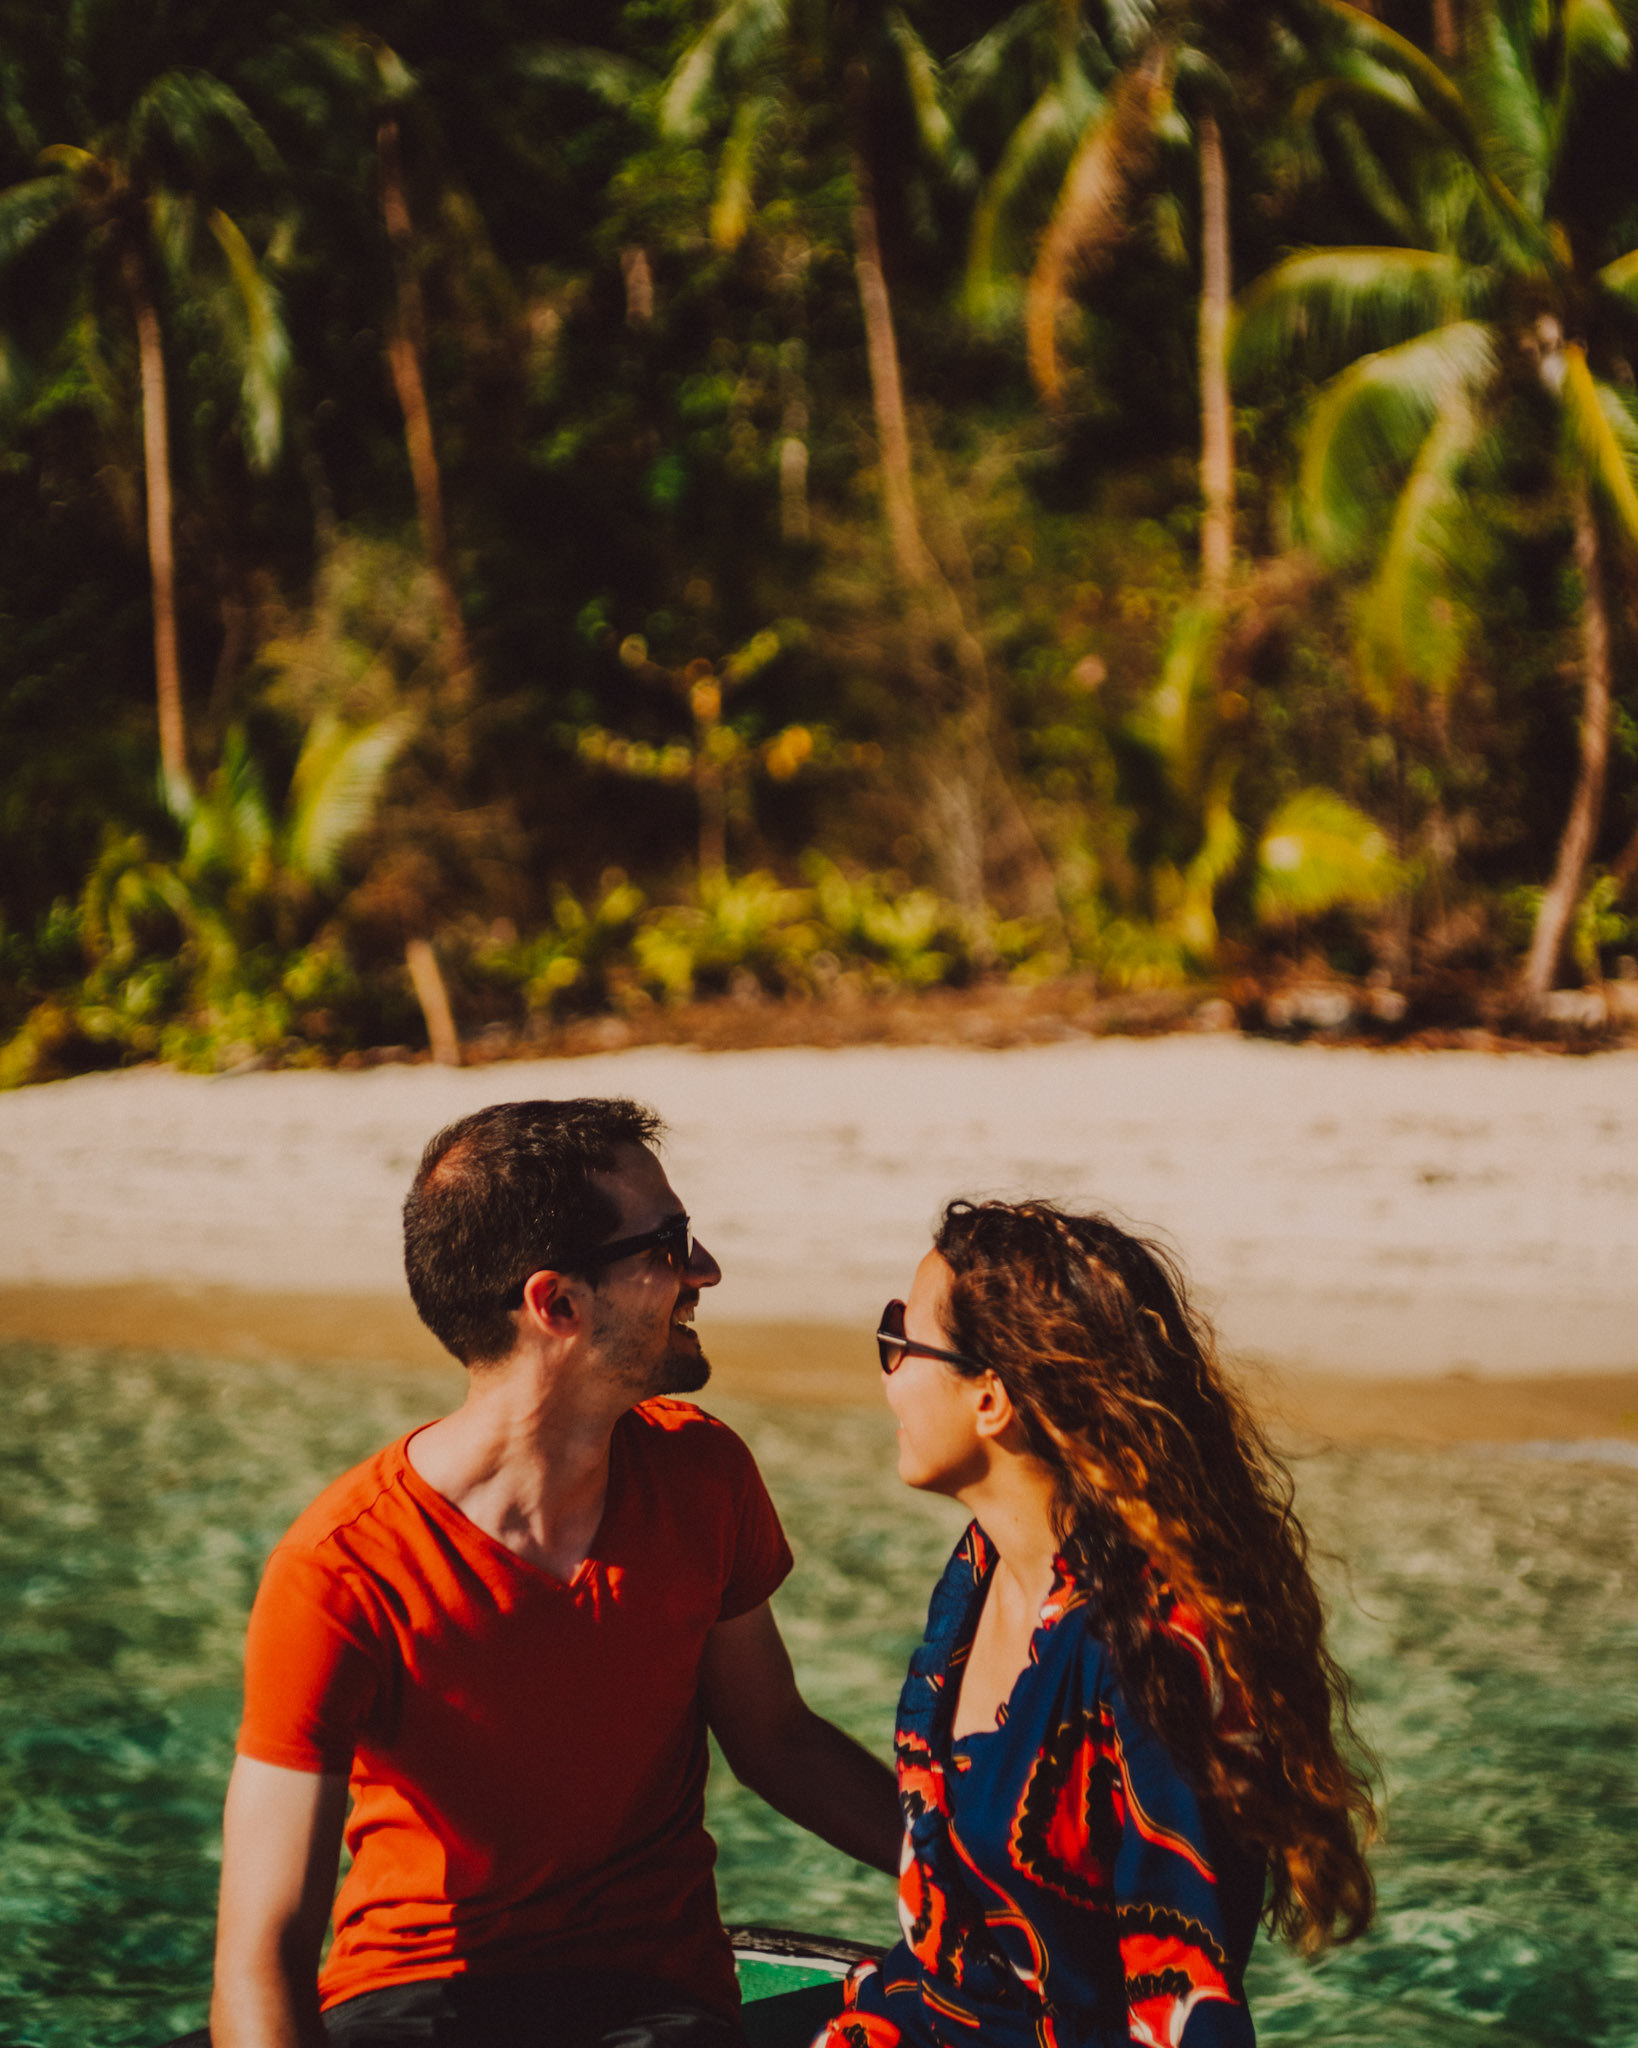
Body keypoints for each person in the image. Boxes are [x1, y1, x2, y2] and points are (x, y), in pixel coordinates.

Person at [210, 1097, 900, 2048]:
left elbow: (777, 1740)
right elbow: (263, 1951)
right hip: (415, 2002)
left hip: (651, 1995)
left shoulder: (704, 1474)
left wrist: (984, 1885)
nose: (706, 1270)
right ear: (557, 1305)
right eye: (671, 1243)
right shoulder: (340, 1571)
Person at [818, 1200, 1377, 2048]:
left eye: (902, 1339)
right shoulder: (981, 1569)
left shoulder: (1152, 1647)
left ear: (992, 1399)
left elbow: (1183, 1992)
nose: (888, 1372)